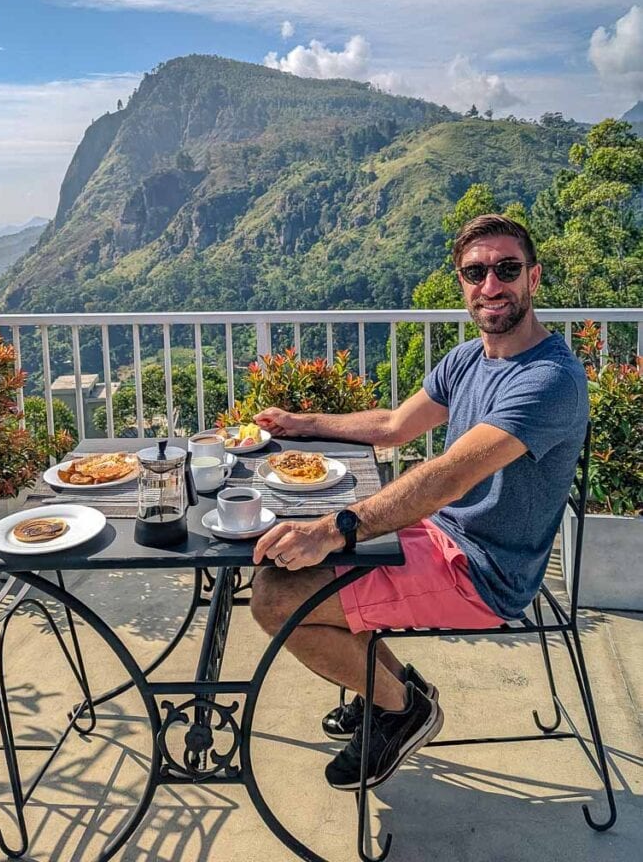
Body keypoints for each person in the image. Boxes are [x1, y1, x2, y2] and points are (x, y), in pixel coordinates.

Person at [250, 214, 588, 793]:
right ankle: (395, 693)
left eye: (507, 269)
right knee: (283, 560)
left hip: (483, 572)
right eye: (475, 272)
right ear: (462, 282)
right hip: (438, 536)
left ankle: (401, 708)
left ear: (533, 277)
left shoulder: (549, 379)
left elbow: (450, 476)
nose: (491, 285)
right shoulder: (467, 360)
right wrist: (302, 423)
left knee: (277, 601)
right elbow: (391, 426)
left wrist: (336, 528)